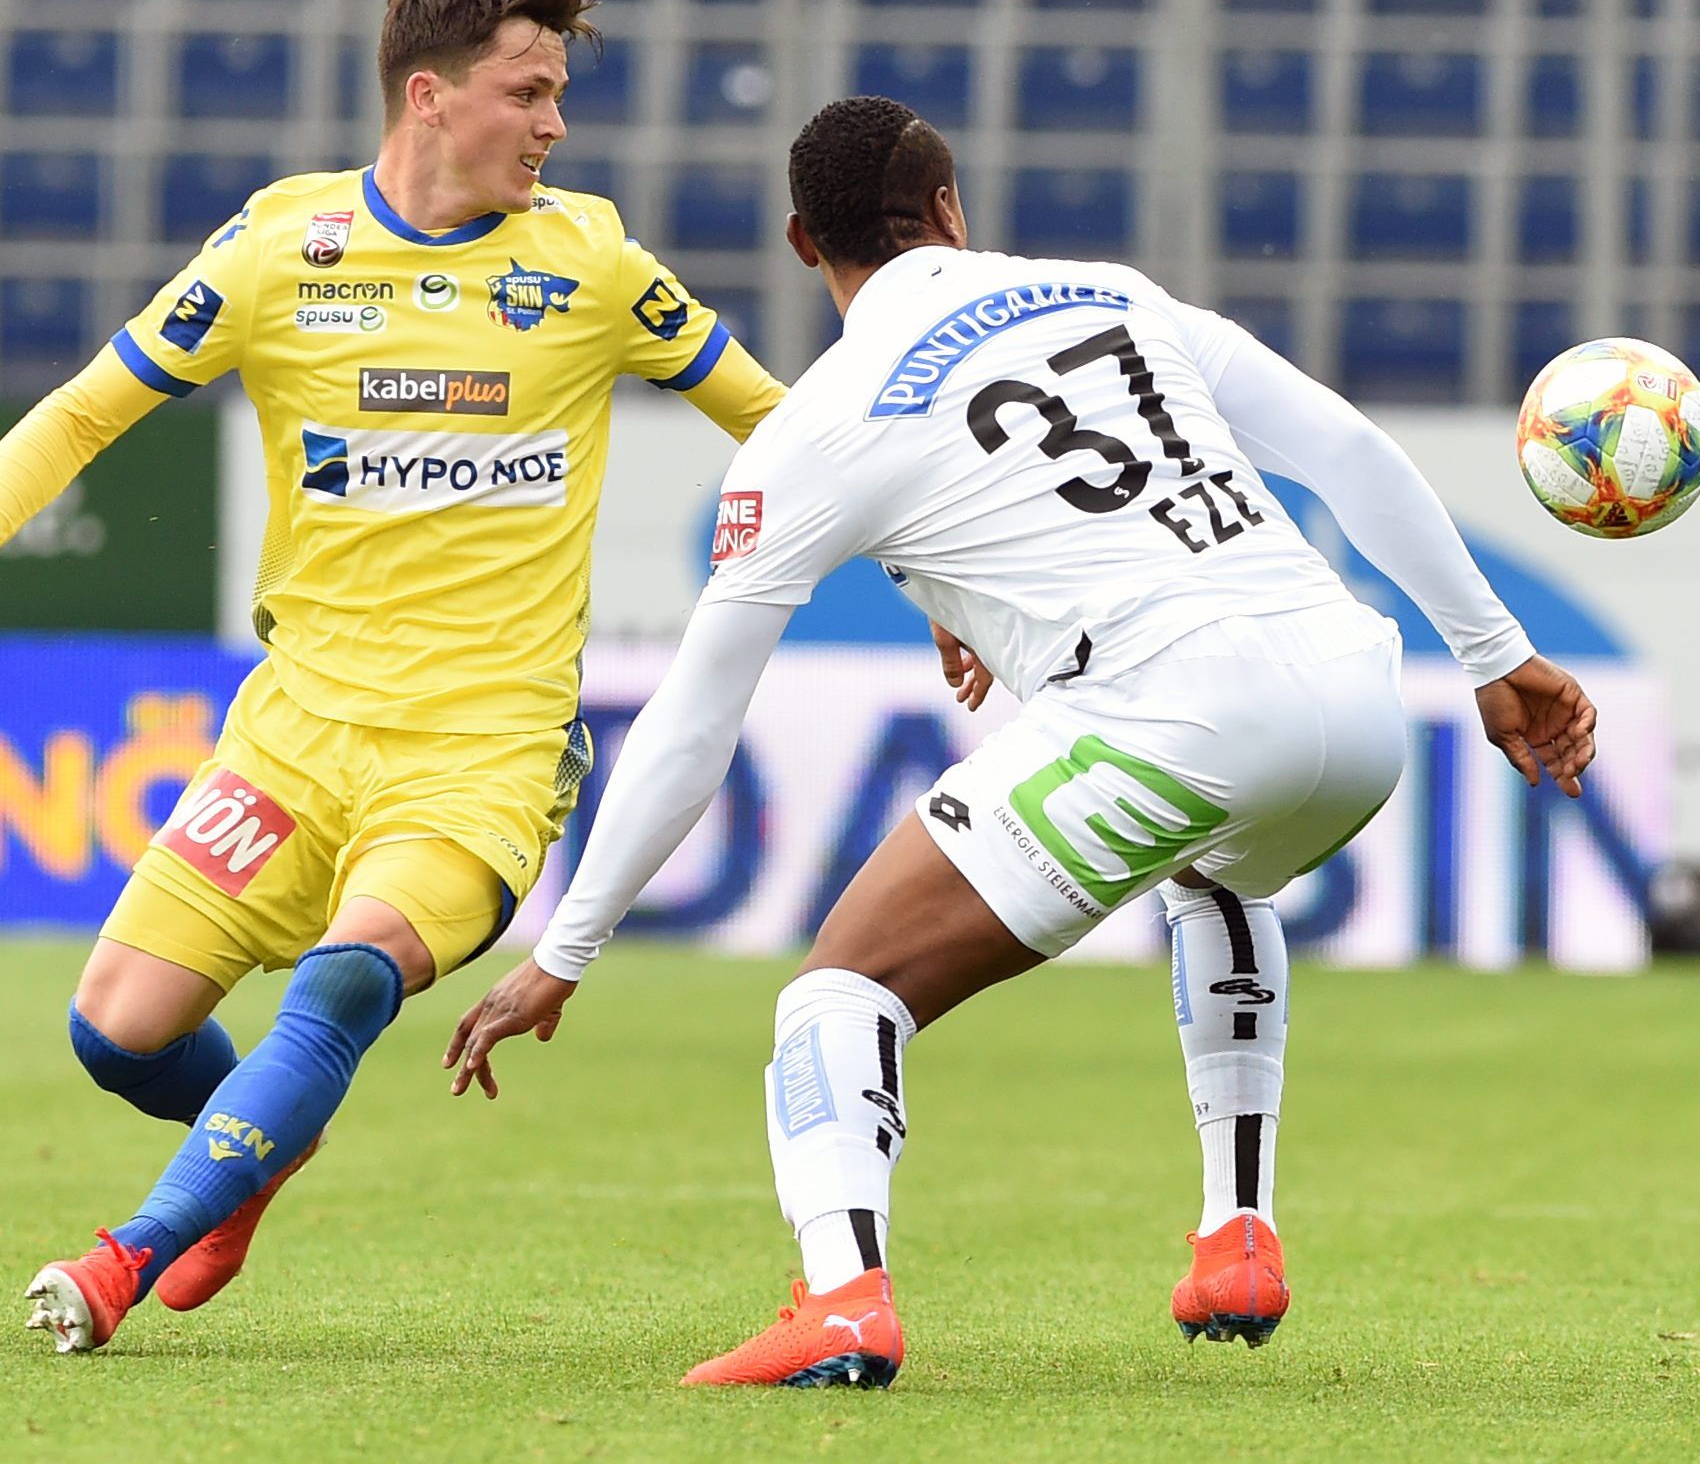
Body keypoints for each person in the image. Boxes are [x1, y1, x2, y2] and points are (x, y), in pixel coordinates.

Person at [447, 95, 1598, 1390]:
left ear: (798, 242)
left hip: (1178, 709)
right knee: (1215, 871)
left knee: (840, 989)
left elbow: (698, 717)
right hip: (1350, 692)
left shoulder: (818, 428)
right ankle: (1237, 1229)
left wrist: (569, 945)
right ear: (949, 210)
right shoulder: (1107, 294)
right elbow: (1344, 449)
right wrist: (1497, 656)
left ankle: (840, 1301)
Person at [14, 0, 791, 1354]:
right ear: (430, 98)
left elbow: (788, 429)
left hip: (483, 749)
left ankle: (128, 1253)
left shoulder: (592, 264)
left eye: (561, 95)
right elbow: (75, 419)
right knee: (115, 1032)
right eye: (529, 91)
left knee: (348, 979)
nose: (556, 125)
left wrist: (952, 580)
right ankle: (255, 1145)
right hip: (294, 735)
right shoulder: (277, 253)